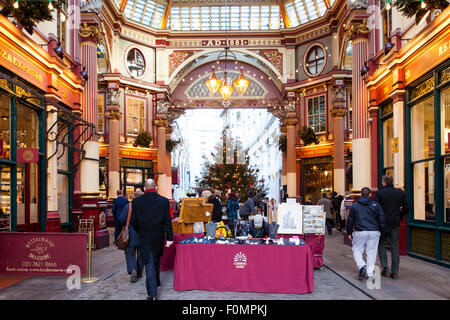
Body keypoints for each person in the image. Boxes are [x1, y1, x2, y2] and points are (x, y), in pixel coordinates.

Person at [131, 179, 173, 300]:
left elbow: (134, 222)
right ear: (156, 188)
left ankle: (153, 294)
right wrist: (169, 237)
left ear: (145, 188)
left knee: (149, 264)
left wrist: (141, 231)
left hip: (145, 237)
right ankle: (155, 286)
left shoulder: (137, 201)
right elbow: (167, 221)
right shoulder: (164, 201)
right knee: (155, 261)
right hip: (158, 236)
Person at [347, 187, 385, 281]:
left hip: (360, 231)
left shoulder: (355, 206)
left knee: (357, 250)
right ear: (370, 194)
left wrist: (349, 232)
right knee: (371, 252)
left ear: (360, 194)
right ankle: (369, 273)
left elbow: (350, 220)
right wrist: (380, 230)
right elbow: (381, 218)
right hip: (374, 231)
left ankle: (362, 266)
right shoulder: (376, 205)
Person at [375, 175, 409, 280]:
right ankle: (394, 272)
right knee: (395, 246)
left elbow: (376, 208)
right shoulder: (400, 193)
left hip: (383, 223)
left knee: (381, 244)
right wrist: (400, 215)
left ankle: (385, 267)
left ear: (384, 182)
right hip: (395, 222)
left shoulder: (380, 193)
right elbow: (407, 207)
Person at [124, 190, 144, 283]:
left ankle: (133, 270)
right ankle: (139, 272)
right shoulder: (146, 207)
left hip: (131, 233)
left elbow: (121, 218)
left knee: (130, 252)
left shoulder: (129, 206)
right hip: (142, 234)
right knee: (141, 254)